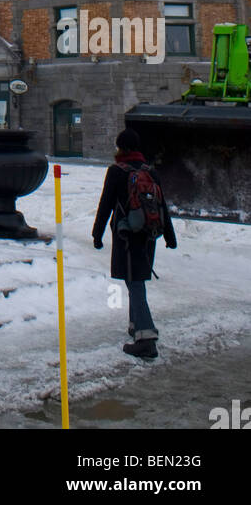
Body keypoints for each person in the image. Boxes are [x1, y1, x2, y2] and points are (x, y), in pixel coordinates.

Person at [91, 128, 177, 359]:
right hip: (149, 235)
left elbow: (105, 204)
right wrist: (170, 237)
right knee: (136, 280)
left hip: (126, 236)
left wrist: (97, 234)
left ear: (122, 148)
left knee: (135, 283)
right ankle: (135, 325)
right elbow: (162, 207)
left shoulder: (116, 171)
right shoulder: (150, 171)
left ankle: (146, 339)